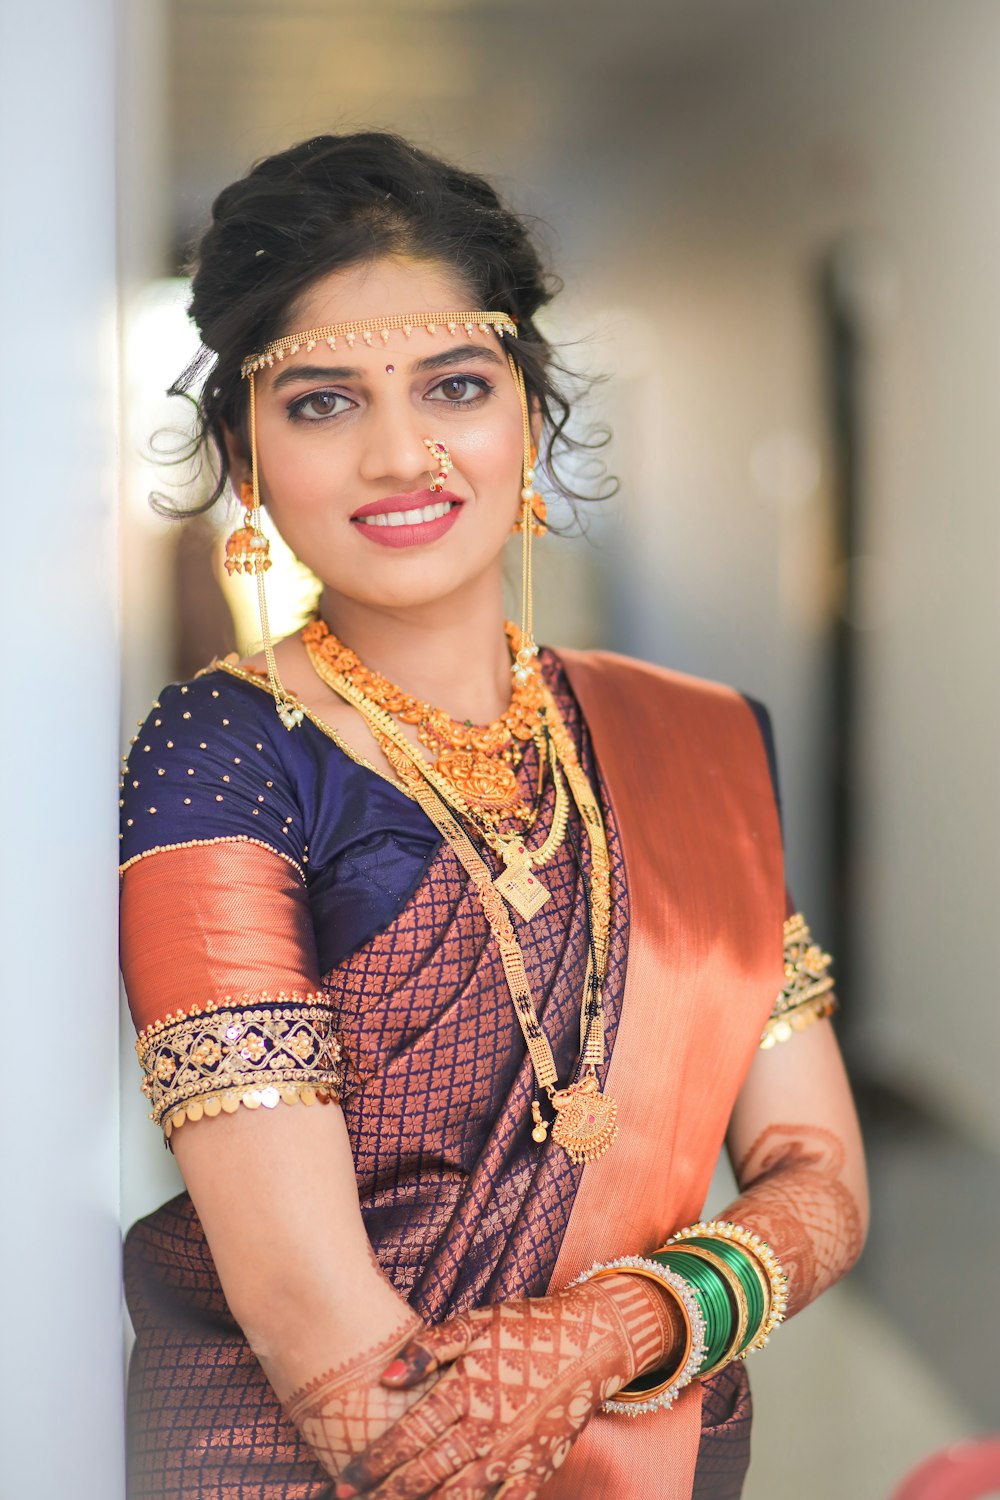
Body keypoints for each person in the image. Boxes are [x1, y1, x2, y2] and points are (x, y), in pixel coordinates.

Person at [119, 130, 869, 1500]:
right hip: (305, 1461)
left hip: (661, 1440)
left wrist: (615, 1329)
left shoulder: (692, 742)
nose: (400, 455)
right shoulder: (222, 756)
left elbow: (819, 1173)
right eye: (323, 403)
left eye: (454, 386)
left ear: (528, 413)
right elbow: (314, 1331)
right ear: (243, 454)